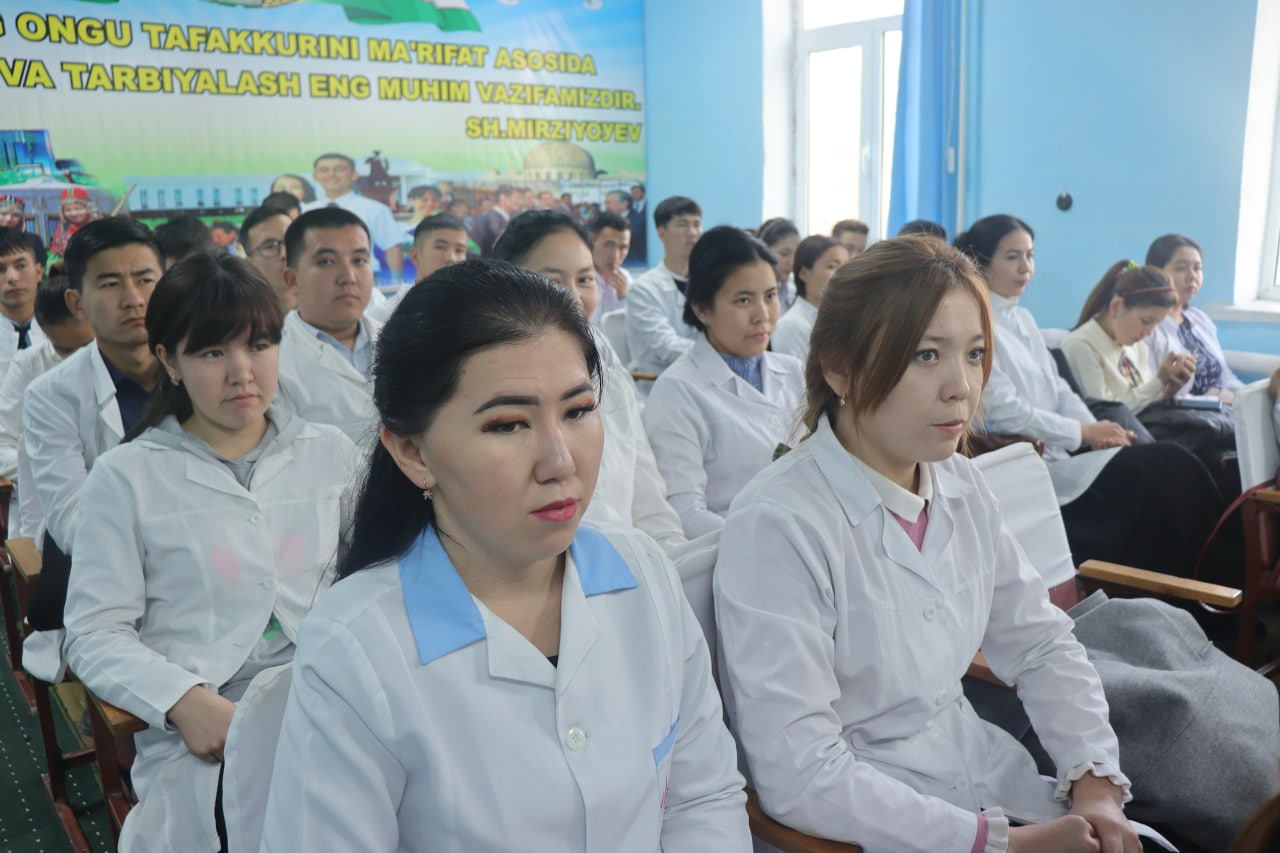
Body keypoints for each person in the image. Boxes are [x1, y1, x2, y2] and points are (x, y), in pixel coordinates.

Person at [260, 259, 749, 851]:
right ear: (413, 452)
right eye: (509, 425)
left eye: (578, 411)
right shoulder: (357, 647)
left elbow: (703, 798)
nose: (560, 462)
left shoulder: (644, 574)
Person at [714, 234, 1141, 853]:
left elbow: (1040, 644)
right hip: (872, 824)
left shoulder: (962, 483)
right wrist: (998, 844)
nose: (961, 387)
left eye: (974, 354)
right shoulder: (779, 523)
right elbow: (800, 773)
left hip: (986, 774)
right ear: (839, 368)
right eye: (925, 355)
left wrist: (1095, 780)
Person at [63, 252, 356, 852]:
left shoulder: (330, 453)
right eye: (212, 353)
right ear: (169, 360)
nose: (242, 373)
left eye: (259, 345)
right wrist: (182, 700)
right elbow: (93, 631)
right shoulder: (126, 477)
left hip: (336, 695)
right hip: (213, 725)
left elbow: (374, 581)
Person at [959, 214, 1221, 577]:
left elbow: (1059, 389)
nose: (1025, 267)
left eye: (1030, 256)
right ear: (983, 261)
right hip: (1031, 462)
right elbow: (1005, 412)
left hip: (1066, 450)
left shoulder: (1024, 319)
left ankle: (1201, 577)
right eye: (1012, 257)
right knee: (1167, 467)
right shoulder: (977, 323)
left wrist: (1099, 430)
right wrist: (1084, 433)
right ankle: (1187, 583)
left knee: (1173, 470)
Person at [493, 210, 685, 553]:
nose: (573, 297)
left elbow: (653, 513)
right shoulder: (490, 399)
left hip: (628, 573)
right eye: (552, 282)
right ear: (504, 289)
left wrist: (669, 572)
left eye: (585, 279)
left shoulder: (615, 389)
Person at [23, 217, 163, 633]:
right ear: (77, 303)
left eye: (145, 280)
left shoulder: (204, 371)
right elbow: (72, 523)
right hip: (111, 587)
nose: (133, 299)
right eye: (110, 284)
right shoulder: (51, 396)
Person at [642, 226, 804, 539]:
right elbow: (685, 515)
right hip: (730, 552)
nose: (762, 315)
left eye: (770, 296)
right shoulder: (677, 392)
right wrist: (774, 543)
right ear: (702, 309)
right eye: (743, 300)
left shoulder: (795, 372)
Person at [0, 273, 94, 540]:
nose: (80, 360)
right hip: (44, 512)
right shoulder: (31, 367)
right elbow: (3, 446)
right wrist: (54, 465)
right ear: (45, 333)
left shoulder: (121, 366)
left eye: (88, 346)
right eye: (65, 351)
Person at [276, 207, 381, 444]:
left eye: (359, 260)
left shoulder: (401, 339)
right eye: (326, 262)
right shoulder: (275, 361)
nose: (348, 277)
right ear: (292, 280)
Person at [1061, 260, 1184, 415]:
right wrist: (1158, 381)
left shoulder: (1137, 347)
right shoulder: (1081, 346)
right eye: (1146, 321)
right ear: (1116, 306)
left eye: (1157, 324)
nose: (1149, 333)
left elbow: (1141, 403)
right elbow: (1104, 414)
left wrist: (1167, 391)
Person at [1145, 234, 1243, 404]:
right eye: (1181, 268)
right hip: (1178, 415)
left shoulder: (1200, 319)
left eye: (1197, 268)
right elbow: (1152, 394)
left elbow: (1224, 376)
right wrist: (1216, 399)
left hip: (1220, 409)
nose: (1192, 276)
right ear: (1156, 273)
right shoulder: (1147, 326)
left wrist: (1248, 396)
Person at [625, 196, 703, 376]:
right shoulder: (643, 289)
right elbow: (666, 346)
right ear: (662, 234)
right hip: (657, 381)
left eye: (697, 224)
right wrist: (719, 354)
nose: (692, 232)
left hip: (705, 376)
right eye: (682, 224)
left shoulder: (709, 282)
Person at [302, 152, 403, 281]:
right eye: (324, 170)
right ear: (315, 176)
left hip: (364, 276)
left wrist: (396, 281)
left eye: (339, 169)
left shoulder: (375, 209)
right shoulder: (305, 211)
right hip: (318, 277)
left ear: (354, 175)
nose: (331, 174)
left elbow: (392, 246)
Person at [366, 215, 469, 324]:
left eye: (459, 250)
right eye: (440, 247)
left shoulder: (471, 312)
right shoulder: (383, 316)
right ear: (415, 255)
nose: (451, 258)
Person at [771, 234, 848, 362]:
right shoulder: (791, 326)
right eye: (832, 266)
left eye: (845, 267)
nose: (842, 274)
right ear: (804, 273)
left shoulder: (839, 319)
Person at [0, 228, 49, 379]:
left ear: (39, 272)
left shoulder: (64, 328)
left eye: (20, 266)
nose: (12, 277)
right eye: (1, 269)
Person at [239, 205, 295, 312]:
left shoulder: (326, 308)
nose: (284, 253)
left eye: (290, 241)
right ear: (250, 263)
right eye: (270, 246)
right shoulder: (242, 316)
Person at [588, 210, 632, 322]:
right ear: (592, 240)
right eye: (609, 245)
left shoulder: (627, 280)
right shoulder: (578, 280)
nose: (616, 255)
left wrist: (625, 299)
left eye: (623, 247)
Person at [757, 218, 801, 311]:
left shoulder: (792, 292)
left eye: (796, 255)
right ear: (764, 251)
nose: (792, 262)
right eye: (784, 254)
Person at [472, 184, 522, 256]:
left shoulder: (509, 217)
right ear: (503, 198)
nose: (520, 202)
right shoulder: (491, 219)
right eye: (517, 198)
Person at [49, 186, 100, 256]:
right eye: (68, 210)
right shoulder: (62, 228)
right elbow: (55, 256)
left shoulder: (98, 226)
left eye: (78, 209)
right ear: (62, 212)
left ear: (88, 208)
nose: (73, 213)